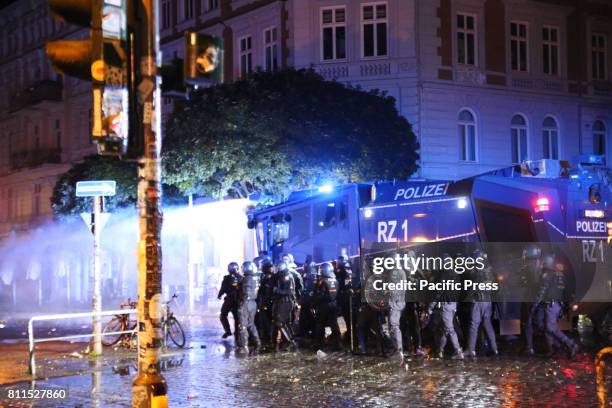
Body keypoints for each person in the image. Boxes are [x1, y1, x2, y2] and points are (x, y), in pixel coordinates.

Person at [532, 252, 579, 358]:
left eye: (542, 262)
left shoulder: (547, 274)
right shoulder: (560, 275)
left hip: (550, 304)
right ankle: (552, 348)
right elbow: (567, 290)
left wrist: (535, 304)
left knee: (550, 327)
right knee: (544, 324)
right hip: (555, 304)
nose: (541, 264)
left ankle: (570, 344)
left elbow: (542, 291)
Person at [464, 249, 498, 357]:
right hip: (488, 300)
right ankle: (494, 349)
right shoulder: (489, 268)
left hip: (479, 300)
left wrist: (466, 299)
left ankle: (471, 350)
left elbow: (474, 286)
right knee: (487, 324)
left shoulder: (477, 269)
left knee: (474, 325)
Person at [312, 262, 342, 351]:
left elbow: (320, 295)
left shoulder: (322, 281)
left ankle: (319, 344)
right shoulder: (335, 280)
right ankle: (338, 343)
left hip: (323, 306)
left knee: (319, 324)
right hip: (333, 304)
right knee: (334, 325)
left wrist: (314, 303)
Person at [521, 245, 543, 355]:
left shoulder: (528, 266)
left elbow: (523, 282)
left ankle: (529, 348)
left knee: (528, 323)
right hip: (540, 299)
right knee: (540, 323)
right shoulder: (541, 265)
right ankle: (555, 344)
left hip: (530, 298)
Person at [271, 260, 297, 351]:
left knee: (281, 323)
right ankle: (290, 340)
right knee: (284, 322)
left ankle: (289, 341)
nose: (276, 269)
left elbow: (289, 291)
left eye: (278, 267)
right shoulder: (279, 276)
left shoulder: (287, 277)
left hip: (286, 302)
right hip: (281, 302)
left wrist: (276, 290)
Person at [237, 261, 261, 355]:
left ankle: (244, 346)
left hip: (246, 303)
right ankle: (257, 342)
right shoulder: (255, 278)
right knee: (251, 324)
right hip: (253, 303)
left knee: (243, 325)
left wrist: (242, 303)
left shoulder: (247, 279)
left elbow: (246, 292)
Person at [218, 262, 242, 339]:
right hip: (235, 300)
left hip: (231, 300)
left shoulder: (228, 278)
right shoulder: (241, 278)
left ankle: (229, 331)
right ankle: (235, 332)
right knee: (236, 317)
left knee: (224, 315)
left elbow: (223, 288)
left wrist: (220, 295)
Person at [335, 255, 354, 346]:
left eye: (338, 261)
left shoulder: (344, 271)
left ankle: (349, 337)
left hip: (344, 297)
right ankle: (347, 335)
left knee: (346, 318)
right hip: (344, 296)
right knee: (345, 317)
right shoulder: (346, 270)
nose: (337, 263)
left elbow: (346, 285)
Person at [256, 257, 275, 347]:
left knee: (267, 321)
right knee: (266, 321)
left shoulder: (268, 278)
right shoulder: (270, 277)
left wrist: (263, 303)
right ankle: (268, 337)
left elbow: (265, 292)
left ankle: (269, 338)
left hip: (267, 303)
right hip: (269, 302)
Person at [299, 256, 318, 339]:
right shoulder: (310, 272)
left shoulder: (311, 274)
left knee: (309, 317)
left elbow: (310, 287)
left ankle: (310, 333)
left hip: (309, 299)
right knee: (306, 316)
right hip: (307, 299)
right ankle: (307, 332)